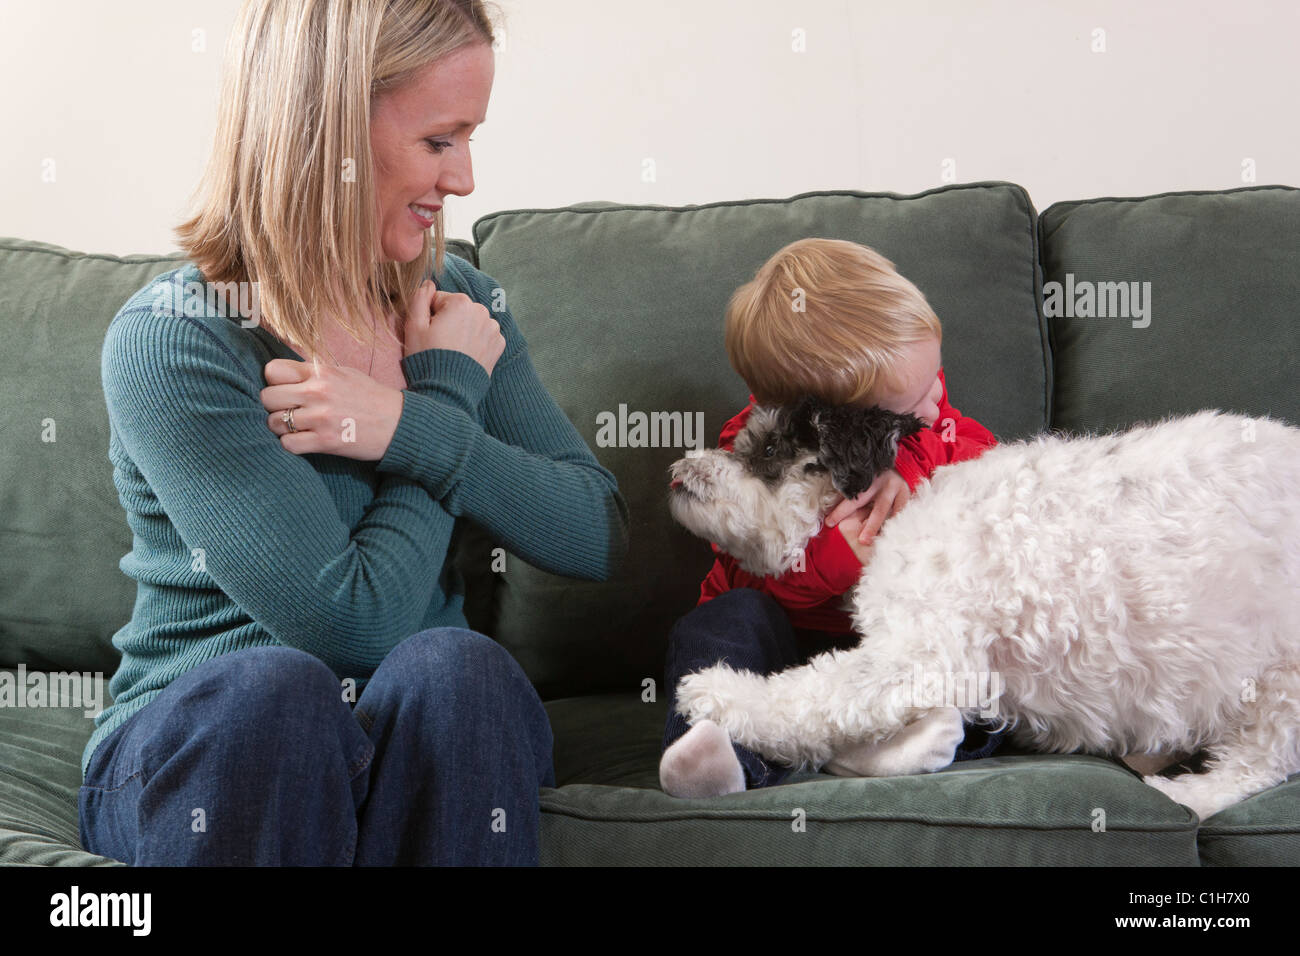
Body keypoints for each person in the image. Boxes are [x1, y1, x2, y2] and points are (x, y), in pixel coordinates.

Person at [78, 0, 627, 866]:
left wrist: (402, 425)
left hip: (419, 737)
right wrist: (439, 405)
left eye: (471, 137)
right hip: (206, 742)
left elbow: (596, 531)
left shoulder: (458, 309)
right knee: (278, 692)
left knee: (460, 671)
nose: (466, 179)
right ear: (324, 138)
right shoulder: (179, 339)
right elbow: (349, 628)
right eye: (439, 141)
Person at [660, 237, 1002, 798]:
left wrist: (906, 469)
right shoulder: (752, 453)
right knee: (719, 623)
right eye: (909, 406)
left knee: (981, 668)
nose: (935, 401)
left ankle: (906, 742)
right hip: (785, 650)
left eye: (935, 379)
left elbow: (983, 471)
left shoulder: (944, 431)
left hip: (891, 654)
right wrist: (835, 559)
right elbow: (749, 569)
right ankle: (721, 752)